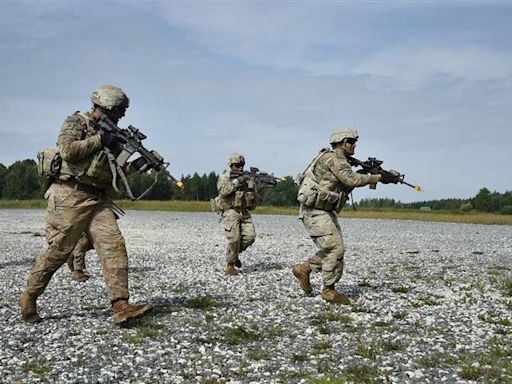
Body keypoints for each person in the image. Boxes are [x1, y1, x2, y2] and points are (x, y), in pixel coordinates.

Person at [19, 85, 153, 325]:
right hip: (69, 195)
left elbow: (113, 175)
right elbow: (68, 151)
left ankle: (120, 305)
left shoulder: (113, 135)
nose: (122, 114)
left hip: (97, 198)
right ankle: (29, 296)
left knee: (113, 245)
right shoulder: (76, 122)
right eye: (120, 109)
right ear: (106, 106)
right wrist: (101, 139)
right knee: (59, 251)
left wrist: (139, 164)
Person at [292, 128, 382, 304]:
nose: (354, 145)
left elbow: (348, 181)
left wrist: (376, 176)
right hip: (314, 210)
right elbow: (352, 180)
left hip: (324, 210)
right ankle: (328, 290)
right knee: (336, 248)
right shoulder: (334, 159)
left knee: (331, 248)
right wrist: (375, 178)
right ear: (341, 142)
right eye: (351, 141)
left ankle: (304, 269)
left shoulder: (342, 161)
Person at [215, 153, 259, 275]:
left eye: (242, 165)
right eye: (237, 165)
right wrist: (236, 182)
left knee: (250, 237)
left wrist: (251, 187)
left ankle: (234, 255)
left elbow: (253, 201)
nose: (240, 167)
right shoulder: (225, 177)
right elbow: (223, 191)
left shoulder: (247, 178)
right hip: (230, 210)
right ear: (231, 165)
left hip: (244, 211)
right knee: (234, 239)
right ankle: (230, 265)